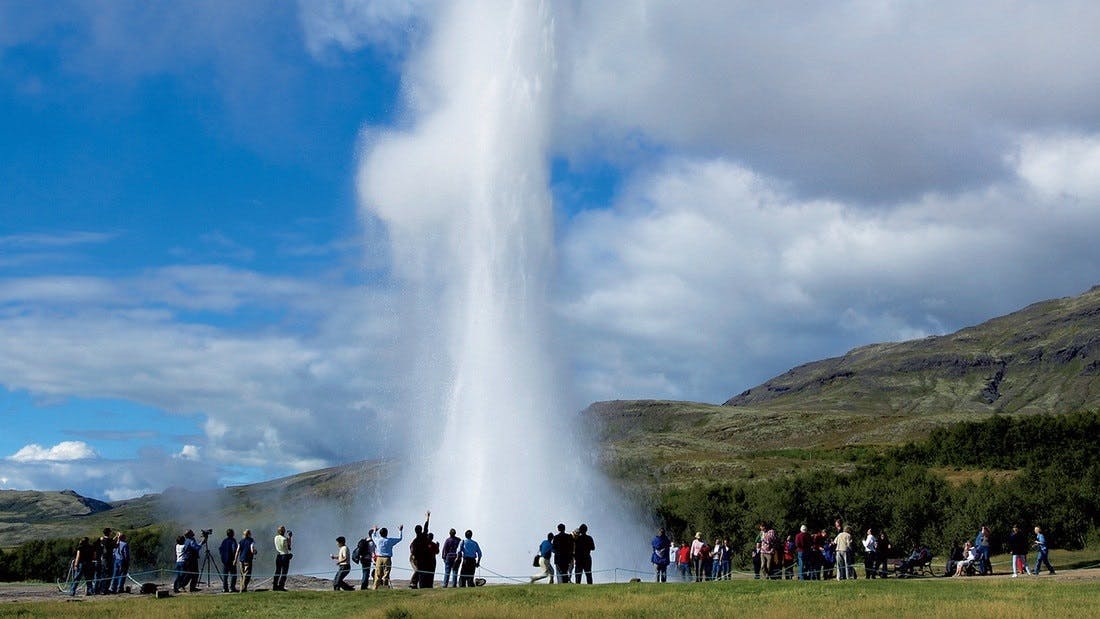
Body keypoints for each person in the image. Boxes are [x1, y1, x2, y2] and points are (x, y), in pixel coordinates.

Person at [372, 524, 404, 589]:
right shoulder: (390, 540)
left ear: (380, 534)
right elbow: (400, 538)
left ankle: (375, 587)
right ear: (387, 533)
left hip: (379, 558)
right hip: (387, 558)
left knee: (377, 573)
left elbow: (373, 536)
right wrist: (400, 531)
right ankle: (385, 586)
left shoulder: (377, 540)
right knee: (386, 573)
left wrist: (375, 530)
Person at [408, 511, 432, 589]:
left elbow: (412, 549)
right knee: (418, 570)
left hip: (417, 558)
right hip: (417, 558)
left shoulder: (416, 540)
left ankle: (414, 584)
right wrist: (428, 518)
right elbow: (426, 527)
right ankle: (413, 583)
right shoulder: (423, 536)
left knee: (419, 570)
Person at [272, 526, 293, 591]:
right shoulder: (284, 539)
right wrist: (289, 537)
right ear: (283, 531)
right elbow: (289, 547)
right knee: (284, 572)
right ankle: (281, 586)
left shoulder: (275, 537)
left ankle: (275, 586)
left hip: (278, 555)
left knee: (277, 571)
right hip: (284, 555)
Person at [96, 528, 115, 595]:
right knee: (108, 574)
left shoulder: (102, 540)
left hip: (102, 558)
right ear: (109, 533)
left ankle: (100, 588)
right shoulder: (108, 541)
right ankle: (104, 589)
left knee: (103, 574)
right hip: (107, 558)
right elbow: (115, 545)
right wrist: (117, 539)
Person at [219, 529, 239, 593]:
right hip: (231, 560)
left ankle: (225, 588)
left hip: (225, 560)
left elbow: (220, 549)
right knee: (233, 574)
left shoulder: (224, 541)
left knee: (225, 575)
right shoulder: (233, 540)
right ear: (232, 534)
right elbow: (234, 549)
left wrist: (223, 556)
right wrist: (235, 559)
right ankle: (232, 588)